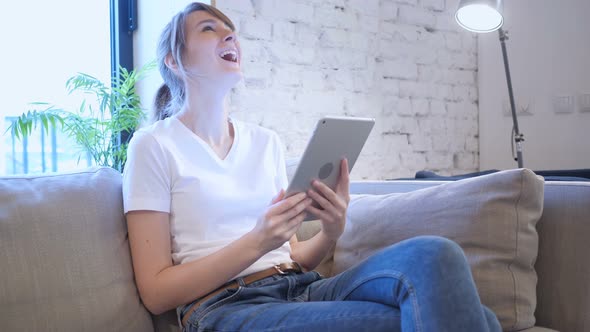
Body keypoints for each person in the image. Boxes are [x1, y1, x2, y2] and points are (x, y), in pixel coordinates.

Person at [122, 2, 502, 331]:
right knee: (474, 320)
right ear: (174, 60)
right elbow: (156, 293)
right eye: (210, 29)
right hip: (224, 307)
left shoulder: (265, 142)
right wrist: (258, 241)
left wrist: (332, 231)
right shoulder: (154, 145)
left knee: (435, 255)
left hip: (301, 287)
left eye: (232, 33)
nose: (230, 38)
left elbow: (296, 257)